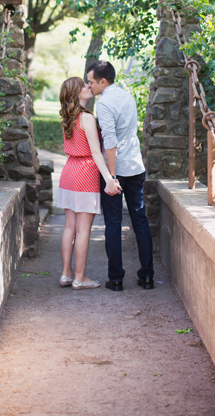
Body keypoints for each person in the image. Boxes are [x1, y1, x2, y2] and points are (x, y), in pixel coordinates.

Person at [86, 60, 154, 291]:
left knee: (113, 224)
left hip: (117, 170)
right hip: (135, 166)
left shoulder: (104, 104)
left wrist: (111, 177)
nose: (90, 86)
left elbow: (111, 142)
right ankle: (147, 276)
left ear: (103, 81)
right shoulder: (127, 96)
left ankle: (116, 279)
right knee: (140, 220)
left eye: (91, 82)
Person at [57, 77, 121, 290]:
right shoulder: (86, 118)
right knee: (83, 230)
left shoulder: (67, 117)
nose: (89, 87)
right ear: (76, 94)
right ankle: (80, 277)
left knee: (69, 227)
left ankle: (66, 274)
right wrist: (109, 179)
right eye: (84, 86)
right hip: (85, 172)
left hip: (69, 171)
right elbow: (95, 152)